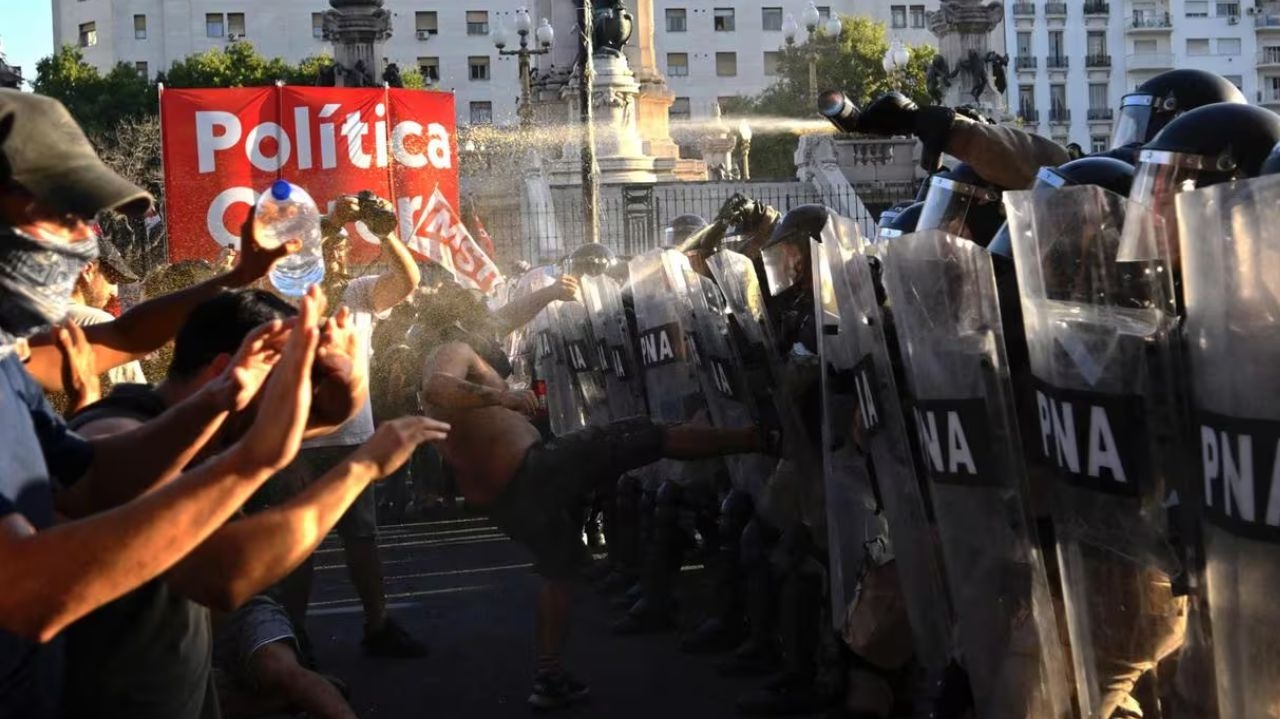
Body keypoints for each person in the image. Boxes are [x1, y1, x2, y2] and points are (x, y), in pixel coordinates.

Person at [0, 88, 341, 718]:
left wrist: (227, 379)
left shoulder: (10, 363)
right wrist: (270, 457)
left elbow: (95, 471)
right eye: (65, 214)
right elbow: (30, 590)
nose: (83, 243)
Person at [62, 289, 448, 719]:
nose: (296, 403)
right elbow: (226, 575)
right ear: (229, 371)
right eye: (287, 385)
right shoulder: (116, 435)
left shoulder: (187, 430)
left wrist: (347, 391)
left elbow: (274, 433)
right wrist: (360, 469)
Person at [419, 339, 771, 709]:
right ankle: (759, 438)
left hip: (511, 500)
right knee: (647, 435)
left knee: (560, 573)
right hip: (535, 472)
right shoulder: (449, 349)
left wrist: (552, 292)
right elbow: (438, 387)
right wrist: (501, 398)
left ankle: (550, 676)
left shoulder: (457, 371)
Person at [258, 190, 429, 658]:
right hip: (297, 439)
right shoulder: (284, 293)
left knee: (362, 536)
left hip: (352, 436)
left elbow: (407, 280)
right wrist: (330, 226)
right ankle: (294, 634)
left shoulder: (358, 294)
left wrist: (383, 233)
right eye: (324, 249)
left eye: (336, 250)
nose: (334, 256)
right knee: (298, 541)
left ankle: (378, 624)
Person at [66, 233, 146, 385]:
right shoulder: (99, 323)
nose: (115, 292)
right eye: (112, 279)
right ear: (88, 271)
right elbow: (136, 400)